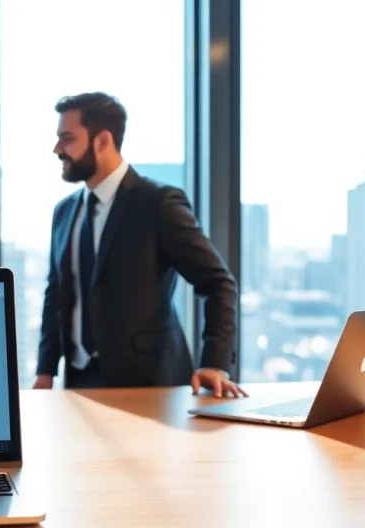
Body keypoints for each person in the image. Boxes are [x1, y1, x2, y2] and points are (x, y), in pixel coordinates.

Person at [34, 92, 244, 398]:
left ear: (102, 141)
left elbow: (219, 283)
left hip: (150, 385)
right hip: (79, 383)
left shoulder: (158, 203)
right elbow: (56, 296)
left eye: (67, 139)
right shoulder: (64, 211)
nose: (57, 149)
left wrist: (214, 363)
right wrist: (45, 370)